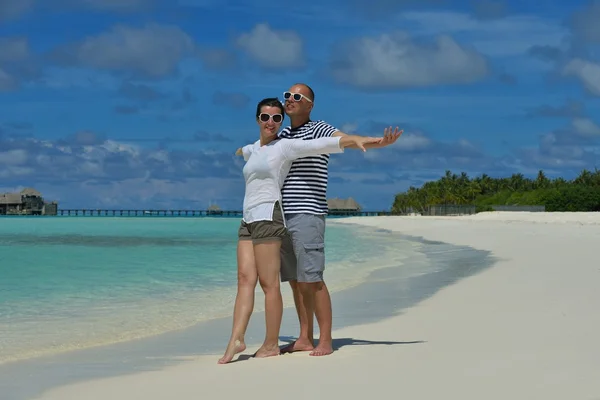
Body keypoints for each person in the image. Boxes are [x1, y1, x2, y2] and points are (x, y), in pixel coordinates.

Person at [218, 97, 386, 364]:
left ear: (281, 121)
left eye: (276, 118)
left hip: (270, 215)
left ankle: (272, 343)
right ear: (257, 120)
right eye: (265, 117)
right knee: (244, 279)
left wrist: (361, 140)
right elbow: (247, 150)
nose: (271, 122)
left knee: (270, 283)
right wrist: (240, 150)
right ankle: (235, 340)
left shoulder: (285, 146)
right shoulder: (253, 150)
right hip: (248, 218)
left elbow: (325, 143)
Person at [278, 83, 402, 356]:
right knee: (296, 281)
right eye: (287, 95)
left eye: (297, 96)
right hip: (283, 215)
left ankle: (325, 340)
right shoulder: (284, 133)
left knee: (313, 279)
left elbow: (344, 138)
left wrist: (375, 142)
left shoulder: (318, 127)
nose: (289, 99)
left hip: (308, 213)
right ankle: (303, 337)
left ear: (309, 105)